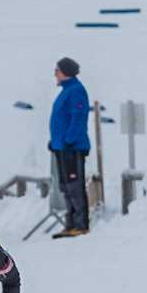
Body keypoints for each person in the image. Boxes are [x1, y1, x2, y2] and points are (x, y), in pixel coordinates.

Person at [48, 57, 91, 238]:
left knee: (74, 187)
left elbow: (78, 117)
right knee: (66, 187)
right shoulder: (66, 91)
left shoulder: (76, 91)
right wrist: (55, 142)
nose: (55, 74)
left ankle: (81, 224)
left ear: (65, 72)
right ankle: (71, 223)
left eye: (57, 71)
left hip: (72, 148)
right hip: (61, 147)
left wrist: (68, 140)